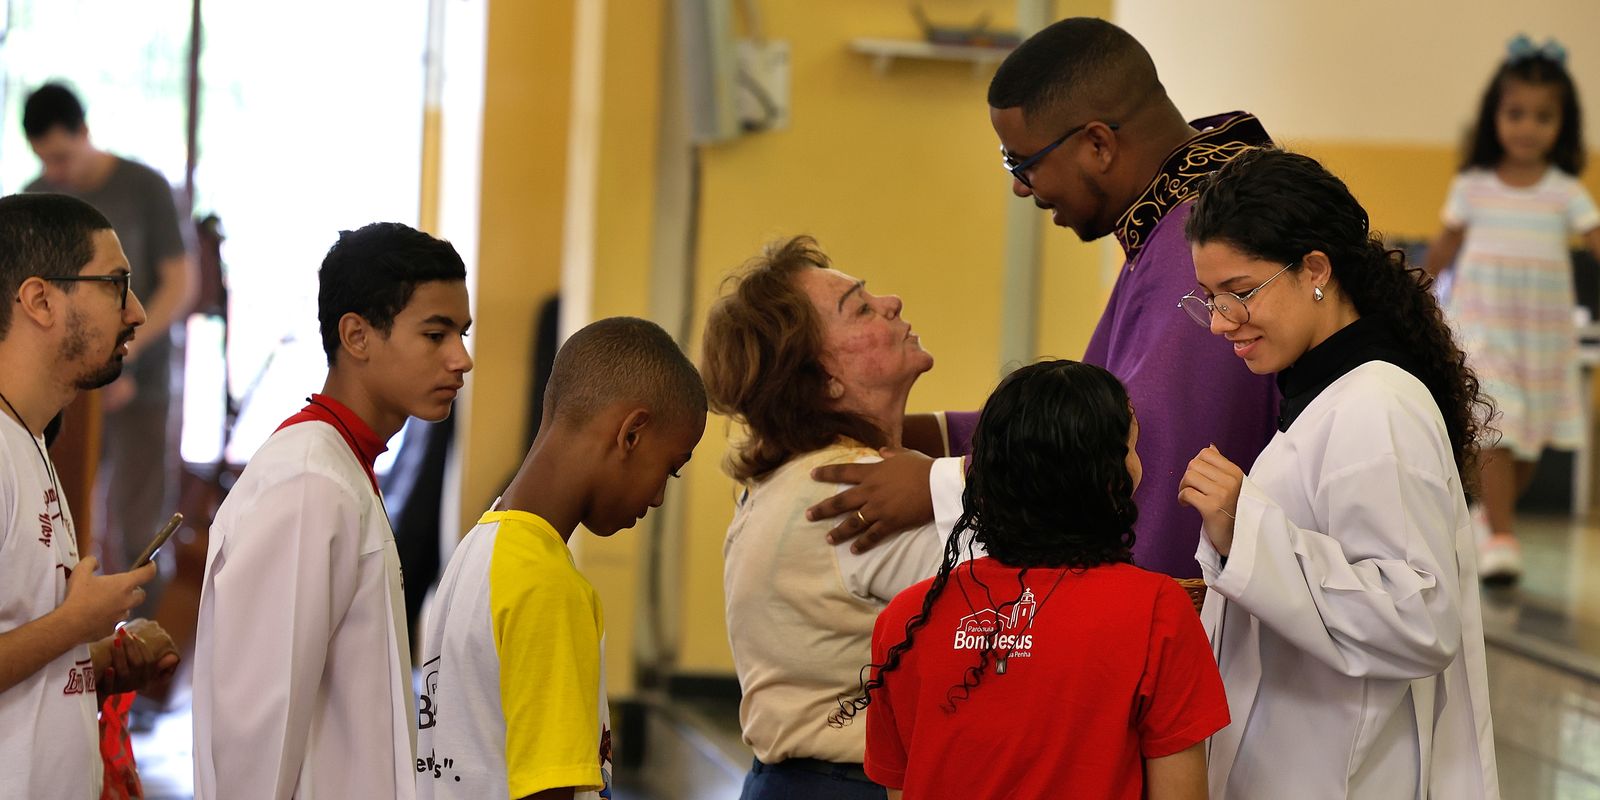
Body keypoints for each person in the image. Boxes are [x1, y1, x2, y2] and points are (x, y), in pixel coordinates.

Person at [807, 17, 1277, 590]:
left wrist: (941, 484)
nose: (1020, 188)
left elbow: (1143, 446)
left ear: (1098, 144)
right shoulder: (1176, 213)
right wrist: (915, 436)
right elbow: (1077, 410)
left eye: (1021, 163)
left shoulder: (1203, 241)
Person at [1176, 149, 1499, 798]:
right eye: (1210, 298)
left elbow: (1418, 619)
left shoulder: (1375, 407)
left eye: (1239, 293)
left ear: (1315, 270)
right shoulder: (1327, 395)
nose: (1219, 322)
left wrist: (1247, 533)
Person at [847, 360, 1226, 799]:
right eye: (1132, 447)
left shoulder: (906, 617)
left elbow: (901, 789)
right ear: (1108, 480)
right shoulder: (1157, 610)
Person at [192, 223, 473, 800]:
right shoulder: (308, 481)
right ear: (357, 335)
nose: (461, 359)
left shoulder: (343, 464)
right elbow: (258, 728)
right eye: (436, 334)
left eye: (462, 334)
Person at [701, 236, 961, 799]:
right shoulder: (851, 486)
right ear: (823, 381)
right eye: (862, 308)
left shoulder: (791, 476)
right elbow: (1010, 594)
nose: (891, 301)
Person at [416, 316, 705, 800]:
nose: (657, 498)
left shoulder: (480, 547)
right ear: (631, 434)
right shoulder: (549, 587)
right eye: (670, 470)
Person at [0, 192, 180, 799]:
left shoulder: (28, 437)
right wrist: (76, 621)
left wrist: (97, 656)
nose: (137, 312)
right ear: (40, 300)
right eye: (116, 283)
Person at [1421, 35, 1600, 584]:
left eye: (1543, 117)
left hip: (1541, 335)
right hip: (1482, 323)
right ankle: (1501, 533)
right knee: (1496, 423)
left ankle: (1486, 518)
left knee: (1528, 444)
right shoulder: (1472, 187)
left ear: (1562, 126)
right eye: (1515, 113)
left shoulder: (1564, 191)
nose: (1527, 126)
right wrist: (1412, 294)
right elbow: (1444, 247)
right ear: (1493, 117)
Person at [23, 83, 194, 590]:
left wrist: (120, 357)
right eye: (43, 160)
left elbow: (181, 284)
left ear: (85, 133)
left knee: (140, 523)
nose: (54, 173)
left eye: (61, 156)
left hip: (144, 381)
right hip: (68, 390)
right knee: (61, 515)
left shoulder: (145, 186)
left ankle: (136, 647)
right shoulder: (36, 197)